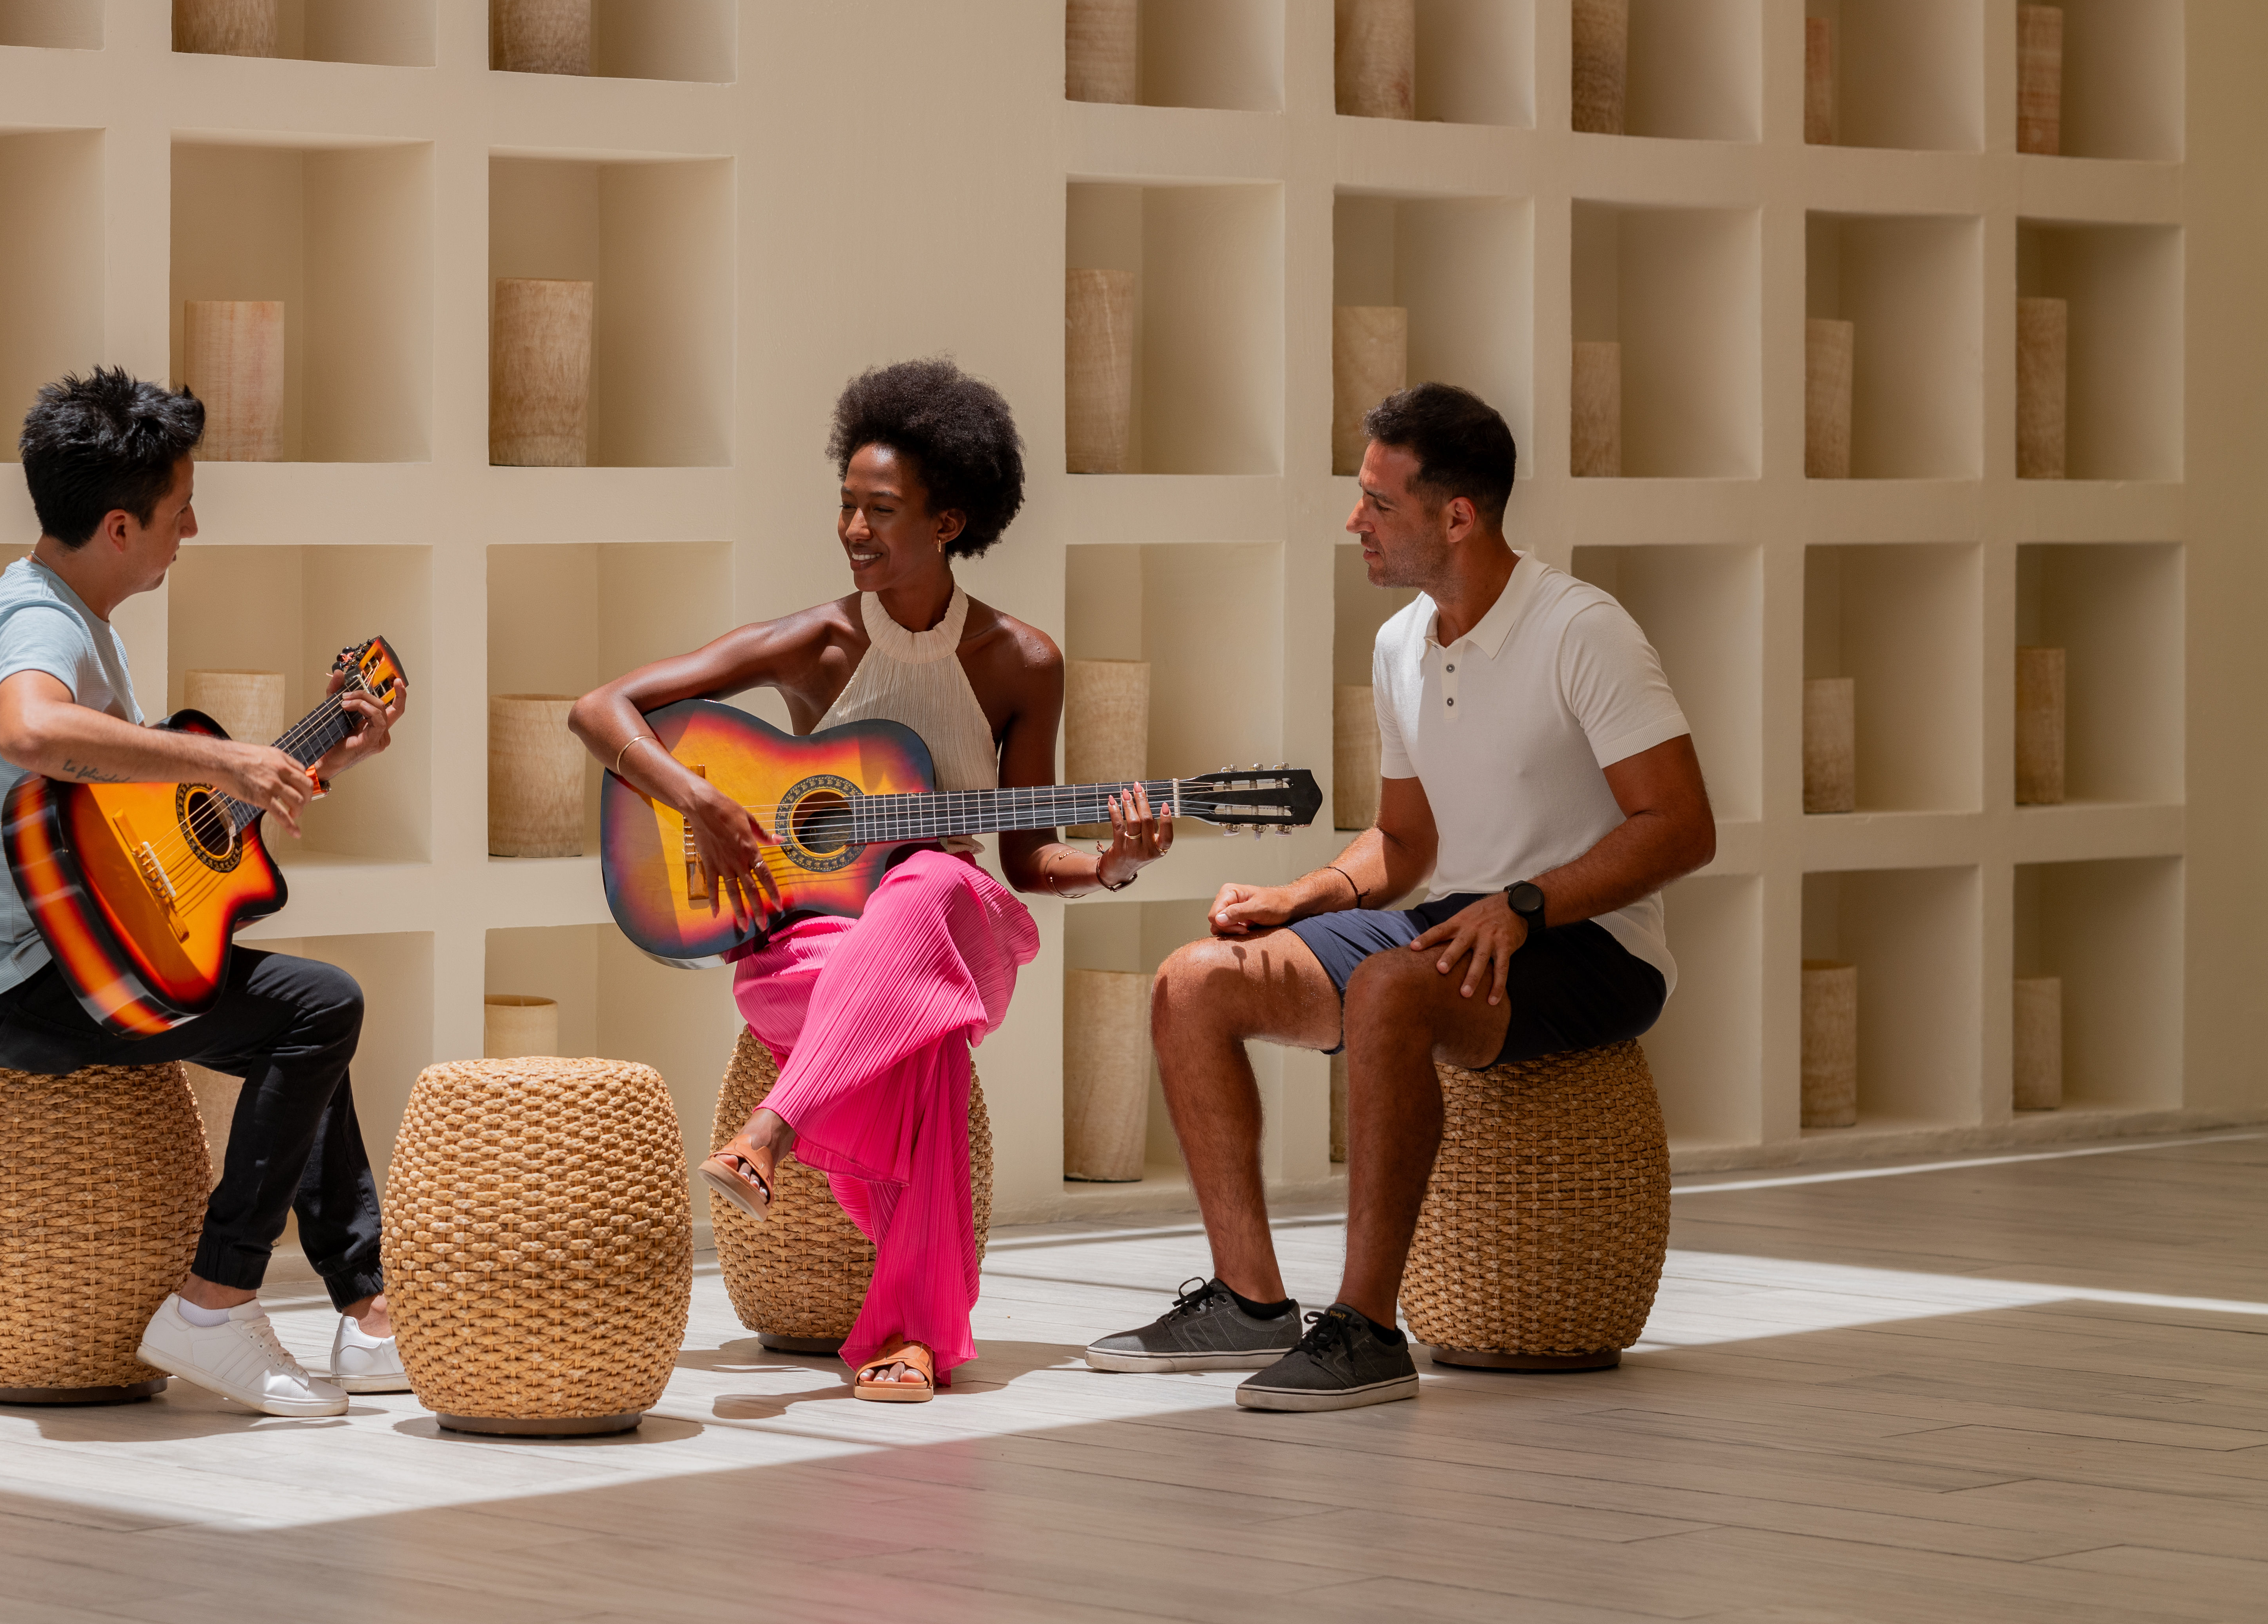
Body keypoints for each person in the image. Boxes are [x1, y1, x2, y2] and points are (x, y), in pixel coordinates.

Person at [1087, 381, 1714, 1410]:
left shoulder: (1581, 631)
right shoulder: (1399, 646)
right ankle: (1248, 1303)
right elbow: (1408, 842)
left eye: (1378, 501)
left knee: (1388, 987)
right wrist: (1304, 896)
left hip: (1593, 942)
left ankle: (1368, 1330)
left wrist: (1524, 905)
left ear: (1456, 516)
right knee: (1195, 981)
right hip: (1454, 919)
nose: (1354, 521)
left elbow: (1681, 827)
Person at [570, 360, 1174, 1402]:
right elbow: (602, 707)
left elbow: (1029, 861)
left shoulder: (1022, 661)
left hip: (961, 926)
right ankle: (913, 1337)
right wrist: (699, 800)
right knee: (924, 1046)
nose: (852, 529)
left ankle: (776, 1129)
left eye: (880, 511)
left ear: (950, 521)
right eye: (846, 504)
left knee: (934, 877)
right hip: (812, 942)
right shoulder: (822, 639)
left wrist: (1114, 865)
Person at [0, 367, 410, 1419]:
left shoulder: (75, 620)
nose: (195, 525)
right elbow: (31, 732)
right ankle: (215, 1303)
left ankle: (367, 1310)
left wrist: (310, 762)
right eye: (181, 508)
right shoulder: (36, 625)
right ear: (119, 526)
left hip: (78, 955)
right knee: (319, 1010)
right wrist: (223, 766)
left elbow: (140, 839)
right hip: (19, 985)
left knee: (305, 1019)